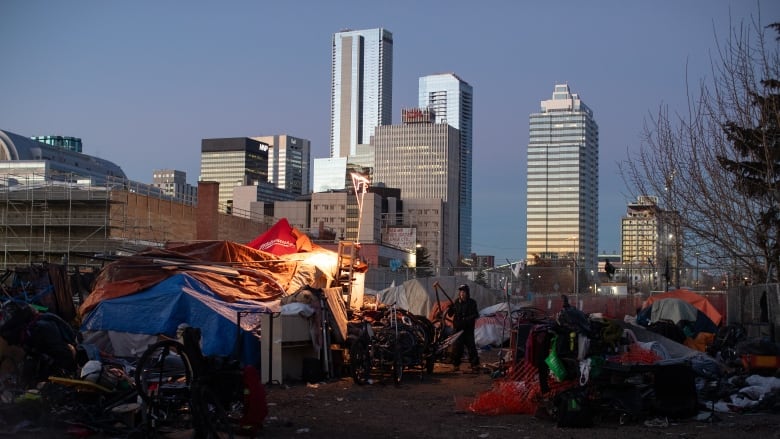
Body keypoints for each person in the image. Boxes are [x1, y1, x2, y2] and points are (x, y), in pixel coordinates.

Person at [449, 284, 480, 372]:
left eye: (464, 292)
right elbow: (450, 314)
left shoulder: (472, 303)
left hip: (468, 329)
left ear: (467, 293)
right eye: (461, 292)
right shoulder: (456, 302)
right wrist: (450, 308)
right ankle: (456, 365)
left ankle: (475, 365)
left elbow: (475, 314)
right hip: (458, 329)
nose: (462, 293)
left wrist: (465, 320)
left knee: (471, 347)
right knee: (457, 347)